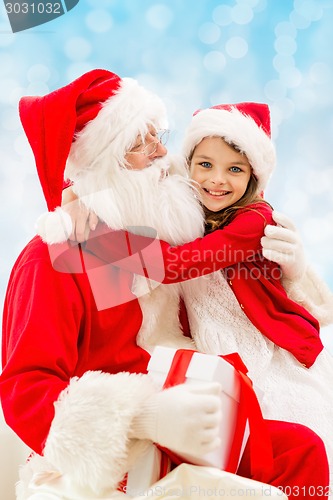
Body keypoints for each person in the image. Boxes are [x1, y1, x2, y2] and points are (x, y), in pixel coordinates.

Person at [0, 70, 330, 500]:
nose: (161, 152)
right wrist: (143, 417)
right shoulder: (55, 257)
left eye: (160, 135)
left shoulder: (159, 235)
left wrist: (292, 272)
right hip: (117, 449)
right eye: (142, 143)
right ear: (106, 162)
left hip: (192, 423)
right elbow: (26, 389)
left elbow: (240, 300)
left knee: (301, 451)